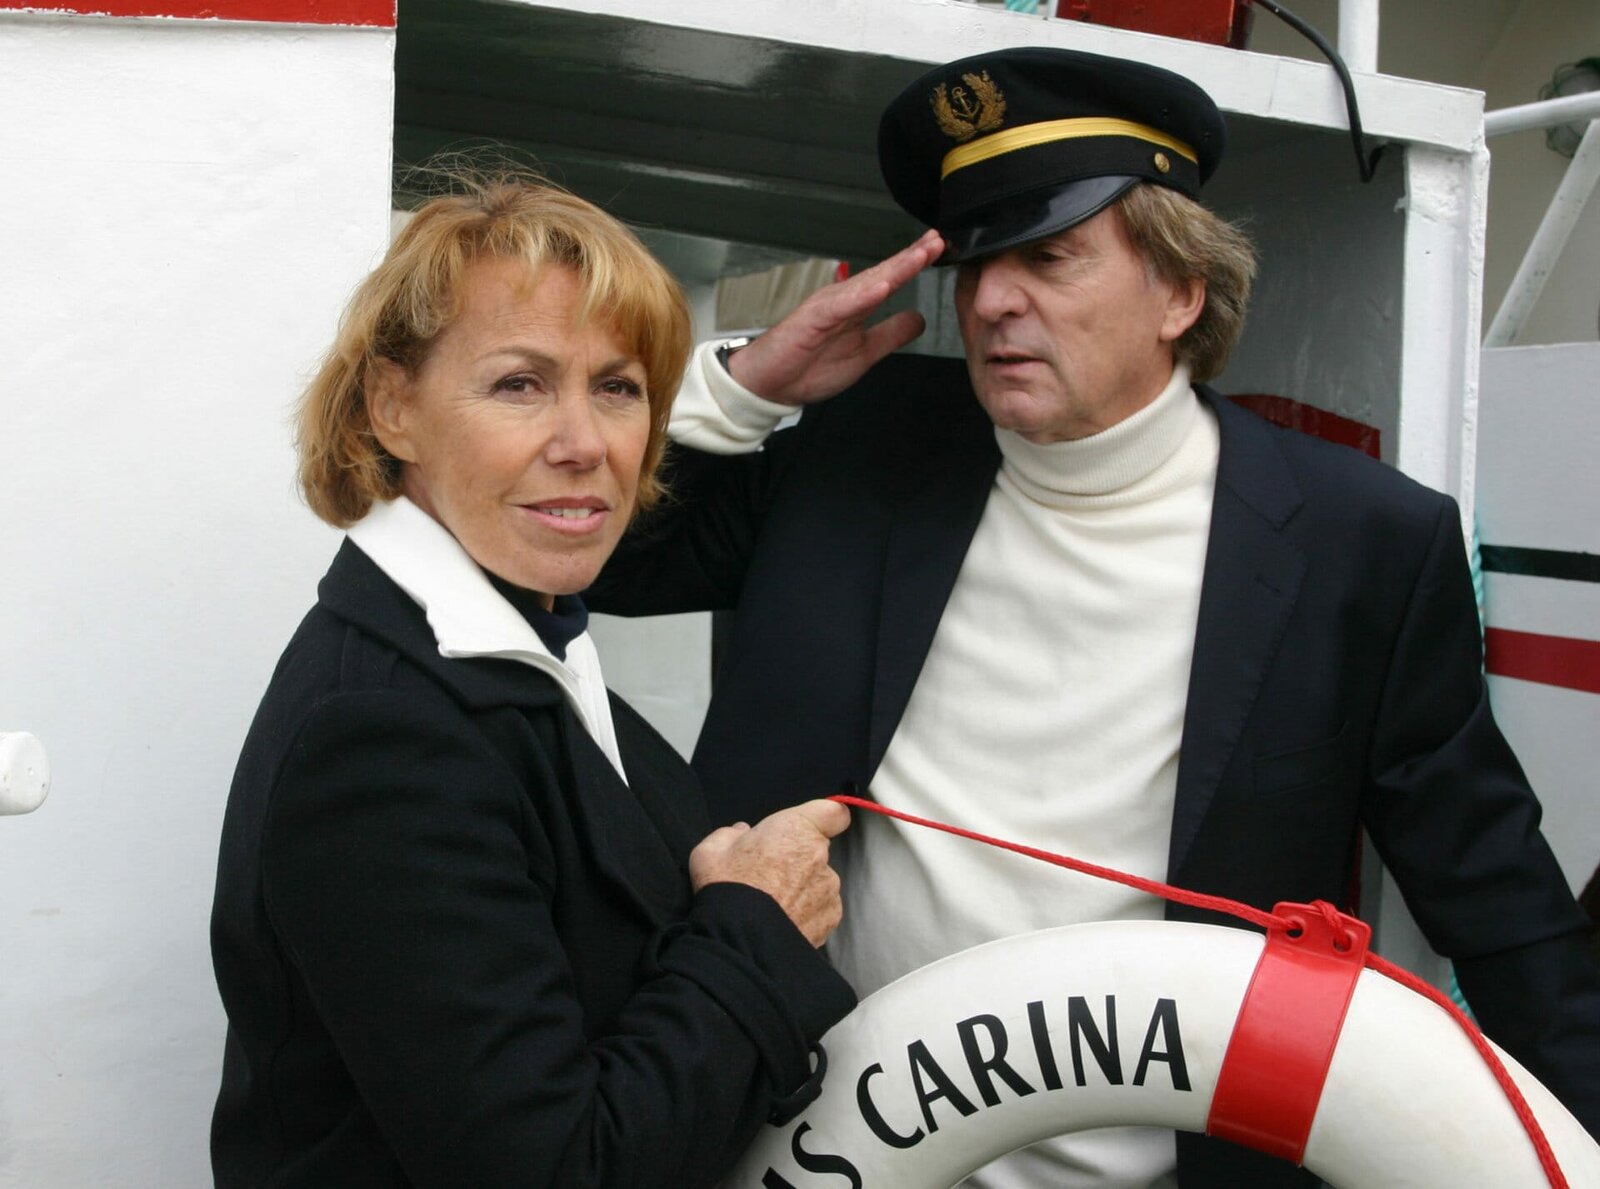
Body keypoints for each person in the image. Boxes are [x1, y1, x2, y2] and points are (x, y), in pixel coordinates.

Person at [589, 46, 1600, 1187]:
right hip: (815, 1149)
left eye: (1048, 255)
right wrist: (742, 393)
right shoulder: (866, 444)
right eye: (975, 261)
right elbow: (603, 568)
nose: (991, 300)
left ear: (1180, 291)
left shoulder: (1360, 541)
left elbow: (1493, 893)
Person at [208, 174, 856, 1188]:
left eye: (618, 387)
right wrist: (754, 926)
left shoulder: (527, 652)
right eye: (520, 384)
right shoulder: (382, 734)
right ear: (392, 408)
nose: (584, 444)